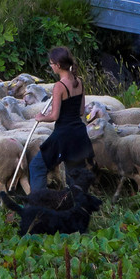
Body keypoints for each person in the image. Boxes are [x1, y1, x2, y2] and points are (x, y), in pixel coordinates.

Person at [26, 47, 94, 193]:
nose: (50, 66)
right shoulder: (79, 82)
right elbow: (81, 111)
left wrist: (41, 117)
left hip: (64, 134)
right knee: (75, 173)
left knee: (36, 166)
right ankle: (79, 204)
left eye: (51, 63)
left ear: (57, 65)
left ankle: (38, 202)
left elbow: (55, 116)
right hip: (79, 133)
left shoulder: (59, 86)